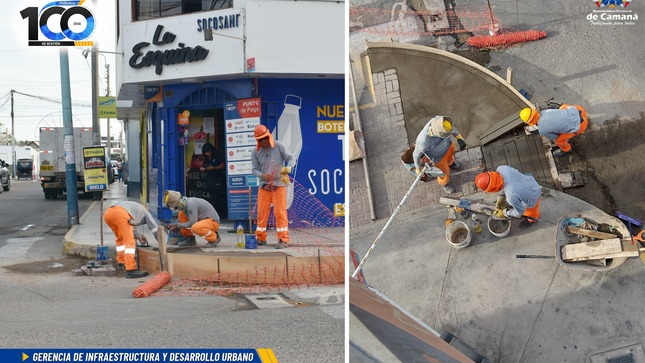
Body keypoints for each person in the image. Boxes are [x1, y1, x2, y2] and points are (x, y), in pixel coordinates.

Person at [251, 124, 296, 249]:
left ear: (268, 136)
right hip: (264, 186)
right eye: (260, 139)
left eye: (265, 138)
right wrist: (262, 175)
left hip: (279, 184)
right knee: (262, 213)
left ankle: (283, 239)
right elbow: (254, 169)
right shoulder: (255, 152)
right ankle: (260, 238)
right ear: (257, 140)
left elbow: (291, 158)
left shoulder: (278, 146)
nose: (263, 141)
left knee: (280, 212)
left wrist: (289, 167)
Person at [103, 201, 159, 278]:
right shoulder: (146, 213)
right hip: (120, 214)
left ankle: (121, 262)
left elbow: (129, 226)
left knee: (120, 238)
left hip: (108, 214)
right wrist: (161, 242)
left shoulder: (133, 209)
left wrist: (139, 236)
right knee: (129, 242)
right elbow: (155, 229)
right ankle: (130, 270)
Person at [474, 165, 542, 229]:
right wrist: (500, 197)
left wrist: (506, 213)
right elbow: (506, 182)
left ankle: (532, 220)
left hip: (533, 195)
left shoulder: (511, 197)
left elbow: (520, 212)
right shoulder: (502, 169)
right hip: (529, 182)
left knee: (530, 213)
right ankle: (518, 202)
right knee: (515, 199)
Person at [412, 115, 467, 194]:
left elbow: (451, 128)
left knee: (450, 156)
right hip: (438, 158)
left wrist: (458, 137)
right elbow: (416, 155)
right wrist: (418, 168)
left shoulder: (439, 121)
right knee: (443, 172)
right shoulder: (423, 142)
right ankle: (444, 183)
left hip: (448, 147)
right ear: (440, 134)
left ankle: (451, 163)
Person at [519, 104, 588, 157]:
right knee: (562, 108)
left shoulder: (542, 130)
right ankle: (558, 107)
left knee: (558, 140)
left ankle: (567, 150)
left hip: (581, 125)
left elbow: (555, 137)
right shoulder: (544, 111)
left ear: (530, 122)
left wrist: (548, 130)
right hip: (579, 110)